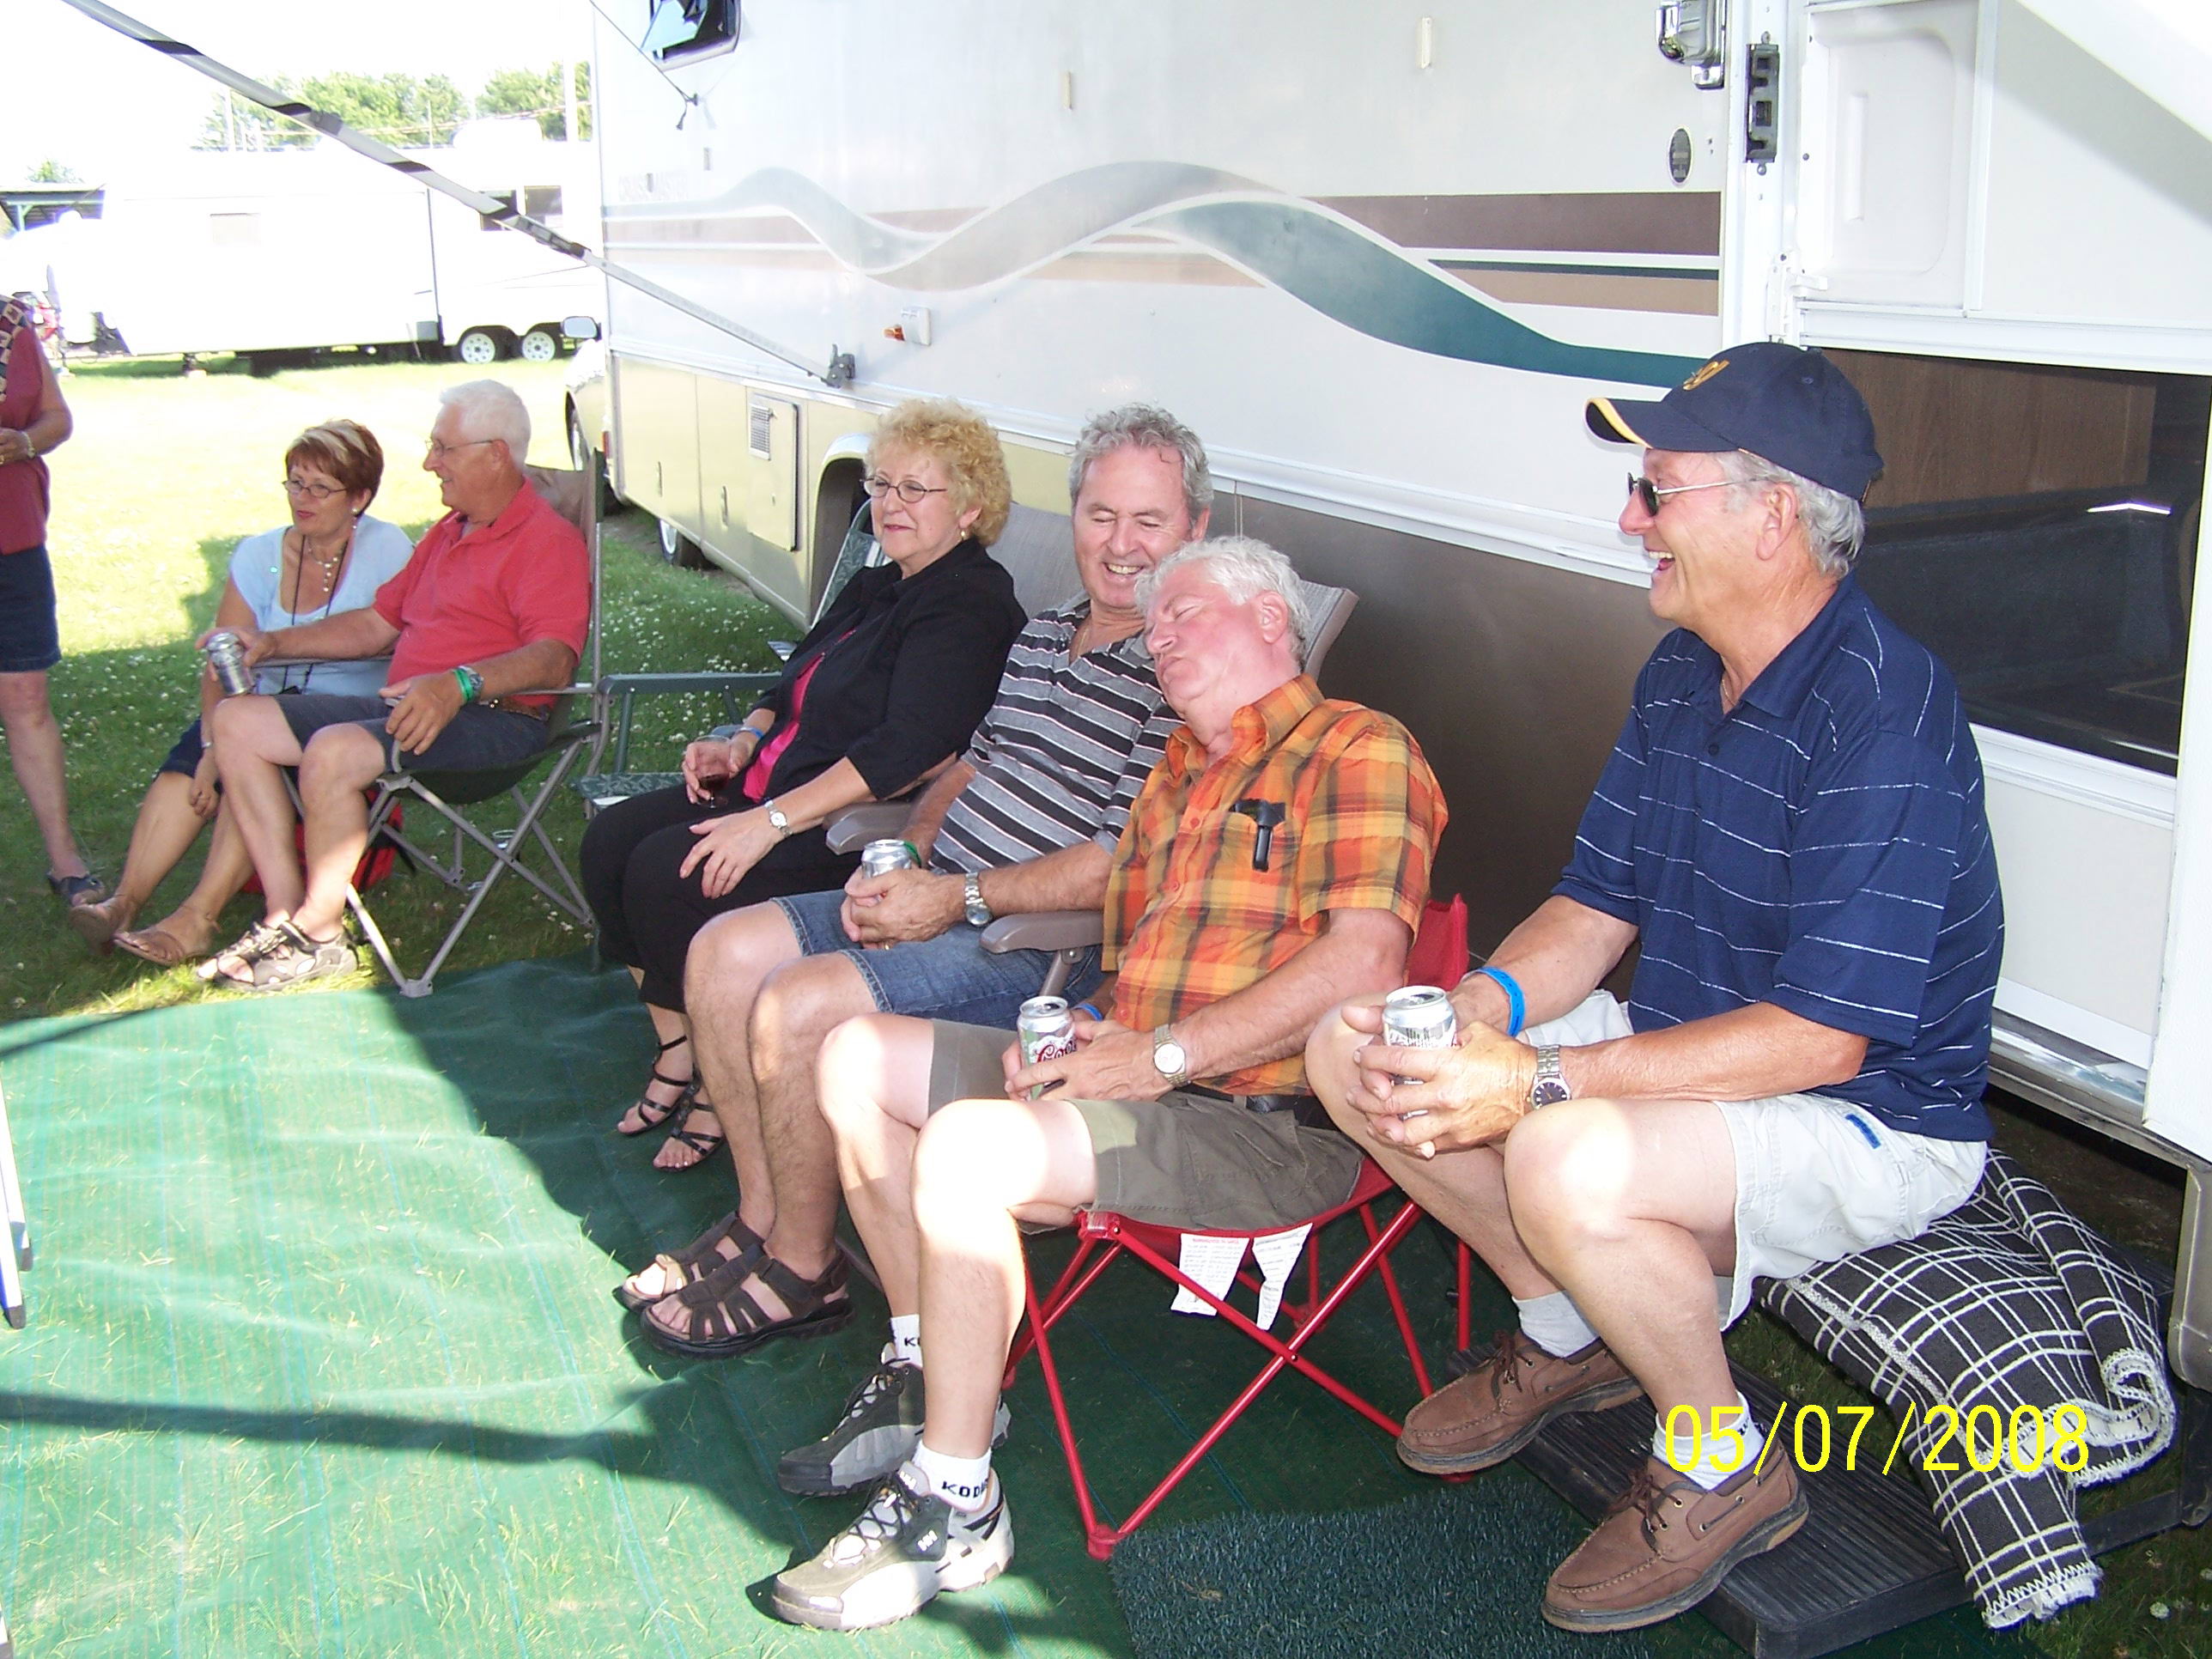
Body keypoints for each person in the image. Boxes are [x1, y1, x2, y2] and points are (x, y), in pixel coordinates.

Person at [1306, 343, 2002, 1634]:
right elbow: (1593, 908)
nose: (1629, 519)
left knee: (1562, 1151)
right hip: (1694, 1049)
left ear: (1771, 514)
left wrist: (1540, 1080)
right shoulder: (1686, 668)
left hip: (1873, 1119)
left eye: (1655, 490)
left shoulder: (1883, 712)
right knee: (1358, 1047)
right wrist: (1478, 1017)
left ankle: (1722, 1463)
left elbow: (1821, 1043)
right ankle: (1567, 1330)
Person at [766, 537, 1446, 1632]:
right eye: (1151, 620)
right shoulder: (1176, 770)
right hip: (1142, 1081)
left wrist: (1158, 1055)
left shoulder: (1358, 747)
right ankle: (930, 1367)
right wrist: (1088, 1029)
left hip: (1271, 1123)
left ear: (1270, 620)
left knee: (964, 1149)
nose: (1156, 634)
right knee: (849, 1052)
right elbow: (1141, 969)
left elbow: (1363, 963)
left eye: (1184, 613)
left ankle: (957, 1503)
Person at [619, 404, 1212, 1352]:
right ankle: (763, 1221)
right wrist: (914, 859)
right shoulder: (1044, 632)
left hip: (1035, 952)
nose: (1119, 544)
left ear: (1195, 528)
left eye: (1149, 521)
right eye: (1100, 515)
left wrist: (956, 898)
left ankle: (804, 1270)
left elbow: (1113, 866)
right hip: (945, 895)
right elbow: (969, 764)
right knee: (722, 952)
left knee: (795, 1003)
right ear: (1074, 516)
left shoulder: (1181, 671)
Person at [581, 397, 1027, 1171]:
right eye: (880, 485)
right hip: (766, 783)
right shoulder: (877, 585)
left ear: (970, 508)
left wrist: (772, 822)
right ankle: (682, 1047)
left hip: (835, 823)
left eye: (914, 489)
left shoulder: (969, 603)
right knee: (610, 840)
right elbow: (791, 678)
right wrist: (741, 739)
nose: (889, 504)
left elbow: (912, 749)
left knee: (665, 871)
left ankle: (720, 1088)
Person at [201, 380, 590, 991]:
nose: (430, 463)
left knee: (334, 749)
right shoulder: (450, 530)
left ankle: (321, 937)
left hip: (496, 719)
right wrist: (272, 644)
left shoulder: (547, 541)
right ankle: (285, 915)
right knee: (237, 721)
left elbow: (554, 659)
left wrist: (457, 685)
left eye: (443, 449)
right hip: (412, 705)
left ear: (495, 454)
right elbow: (378, 624)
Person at [67, 421, 414, 965]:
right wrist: (210, 746)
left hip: (345, 718)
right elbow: (220, 660)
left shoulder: (388, 549)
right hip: (255, 708)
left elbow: (388, 635)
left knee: (249, 753)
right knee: (194, 763)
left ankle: (197, 918)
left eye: (320, 488)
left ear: (359, 497)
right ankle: (122, 904)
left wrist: (230, 741)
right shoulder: (258, 555)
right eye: (295, 483)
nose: (302, 498)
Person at [0, 291, 98, 905]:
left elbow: (57, 419)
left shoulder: (11, 323)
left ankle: (65, 861)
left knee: (27, 697)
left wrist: (25, 442)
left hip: (14, 540)